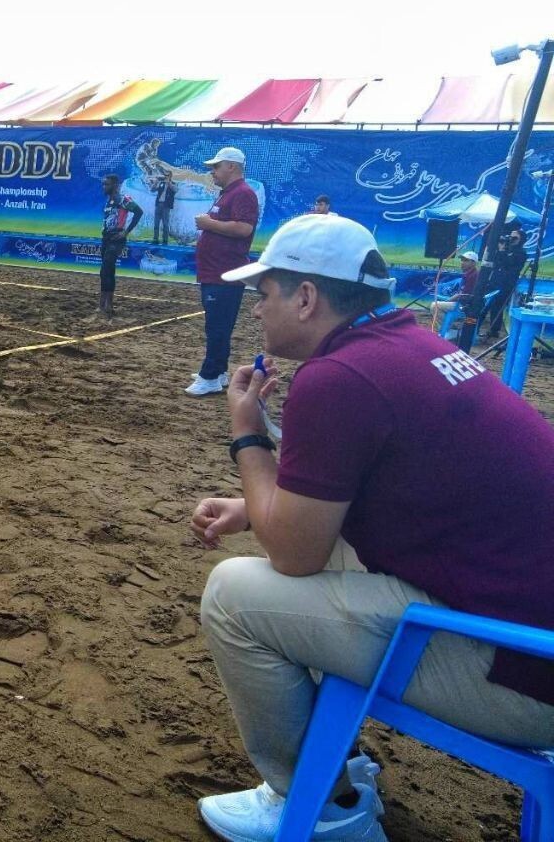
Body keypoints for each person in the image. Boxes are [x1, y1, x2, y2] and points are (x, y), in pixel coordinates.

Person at [190, 214, 554, 842]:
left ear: (305, 298)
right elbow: (391, 483)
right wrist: (258, 506)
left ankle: (323, 804)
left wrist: (246, 432)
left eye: (264, 292)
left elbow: (294, 553)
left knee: (232, 597)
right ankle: (329, 768)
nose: (258, 308)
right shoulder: (413, 344)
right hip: (530, 630)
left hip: (524, 672)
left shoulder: (339, 379)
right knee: (328, 561)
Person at [187, 146, 259, 396]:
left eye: (216, 166)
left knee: (218, 327)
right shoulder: (228, 193)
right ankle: (218, 372)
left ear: (232, 166)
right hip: (216, 272)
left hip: (225, 274)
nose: (213, 172)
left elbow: (244, 229)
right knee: (217, 326)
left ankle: (210, 376)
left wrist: (209, 224)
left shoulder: (243, 193)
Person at [98, 174, 143, 315]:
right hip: (106, 238)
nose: (104, 187)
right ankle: (103, 304)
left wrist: (126, 232)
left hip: (116, 238)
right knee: (104, 272)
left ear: (115, 186)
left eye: (107, 184)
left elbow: (138, 211)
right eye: (103, 184)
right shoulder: (109, 200)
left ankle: (108, 305)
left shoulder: (121, 199)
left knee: (107, 270)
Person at [482, 226, 528, 338]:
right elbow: (495, 262)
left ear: (521, 239)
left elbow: (509, 263)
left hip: (506, 284)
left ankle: (494, 331)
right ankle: (476, 326)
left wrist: (503, 251)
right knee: (484, 304)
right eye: (510, 236)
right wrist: (500, 249)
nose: (511, 239)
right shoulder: (506, 249)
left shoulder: (521, 253)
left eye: (514, 237)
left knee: (497, 307)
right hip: (495, 280)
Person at [429, 250, 477, 320]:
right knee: (437, 304)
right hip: (464, 304)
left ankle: (445, 328)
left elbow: (460, 295)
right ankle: (447, 326)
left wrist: (446, 302)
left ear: (473, 263)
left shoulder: (472, 276)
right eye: (462, 260)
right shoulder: (471, 274)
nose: (462, 262)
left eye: (466, 260)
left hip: (464, 306)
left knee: (434, 306)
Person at [151, 171, 176, 244]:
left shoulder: (173, 183)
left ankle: (165, 240)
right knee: (156, 223)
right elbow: (152, 190)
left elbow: (176, 190)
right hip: (158, 204)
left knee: (165, 223)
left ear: (170, 176)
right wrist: (155, 182)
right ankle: (155, 239)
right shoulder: (161, 183)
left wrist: (169, 183)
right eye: (164, 175)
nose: (165, 176)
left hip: (166, 206)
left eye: (167, 175)